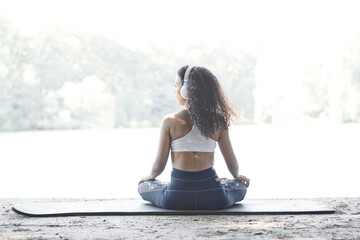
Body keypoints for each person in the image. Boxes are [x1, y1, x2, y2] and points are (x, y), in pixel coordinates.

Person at [138, 65, 250, 210]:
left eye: (176, 86)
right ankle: (216, 184)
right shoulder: (218, 120)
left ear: (185, 90)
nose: (174, 90)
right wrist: (237, 175)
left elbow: (159, 166)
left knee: (143, 186)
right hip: (214, 197)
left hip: (176, 198)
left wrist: (149, 176)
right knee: (240, 186)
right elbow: (231, 163)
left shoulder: (170, 121)